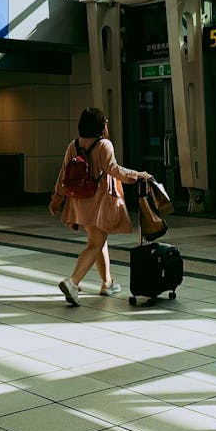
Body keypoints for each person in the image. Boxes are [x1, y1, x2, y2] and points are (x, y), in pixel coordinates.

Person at [50, 107, 151, 306]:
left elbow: (63, 174)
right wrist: (137, 175)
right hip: (99, 201)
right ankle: (73, 281)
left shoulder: (73, 145)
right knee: (95, 244)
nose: (107, 123)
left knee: (98, 241)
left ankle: (107, 283)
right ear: (100, 125)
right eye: (104, 121)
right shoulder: (104, 144)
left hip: (79, 201)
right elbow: (113, 169)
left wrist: (57, 199)